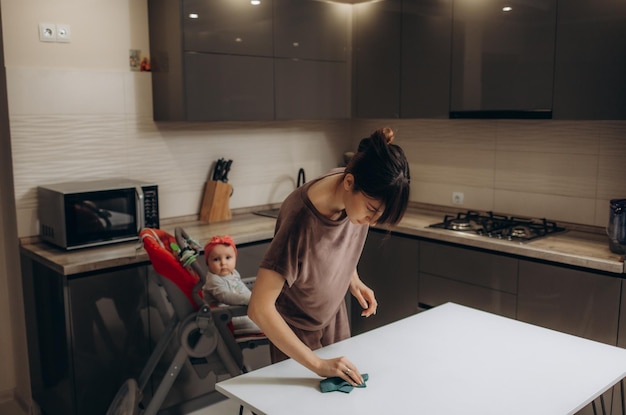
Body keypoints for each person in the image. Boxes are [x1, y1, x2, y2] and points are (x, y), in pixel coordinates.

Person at [248, 127, 410, 387]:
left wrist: (351, 277)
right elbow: (259, 308)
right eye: (371, 211)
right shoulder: (300, 220)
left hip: (334, 315)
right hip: (297, 330)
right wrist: (318, 365)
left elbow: (333, 244)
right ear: (349, 183)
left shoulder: (356, 189)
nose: (372, 221)